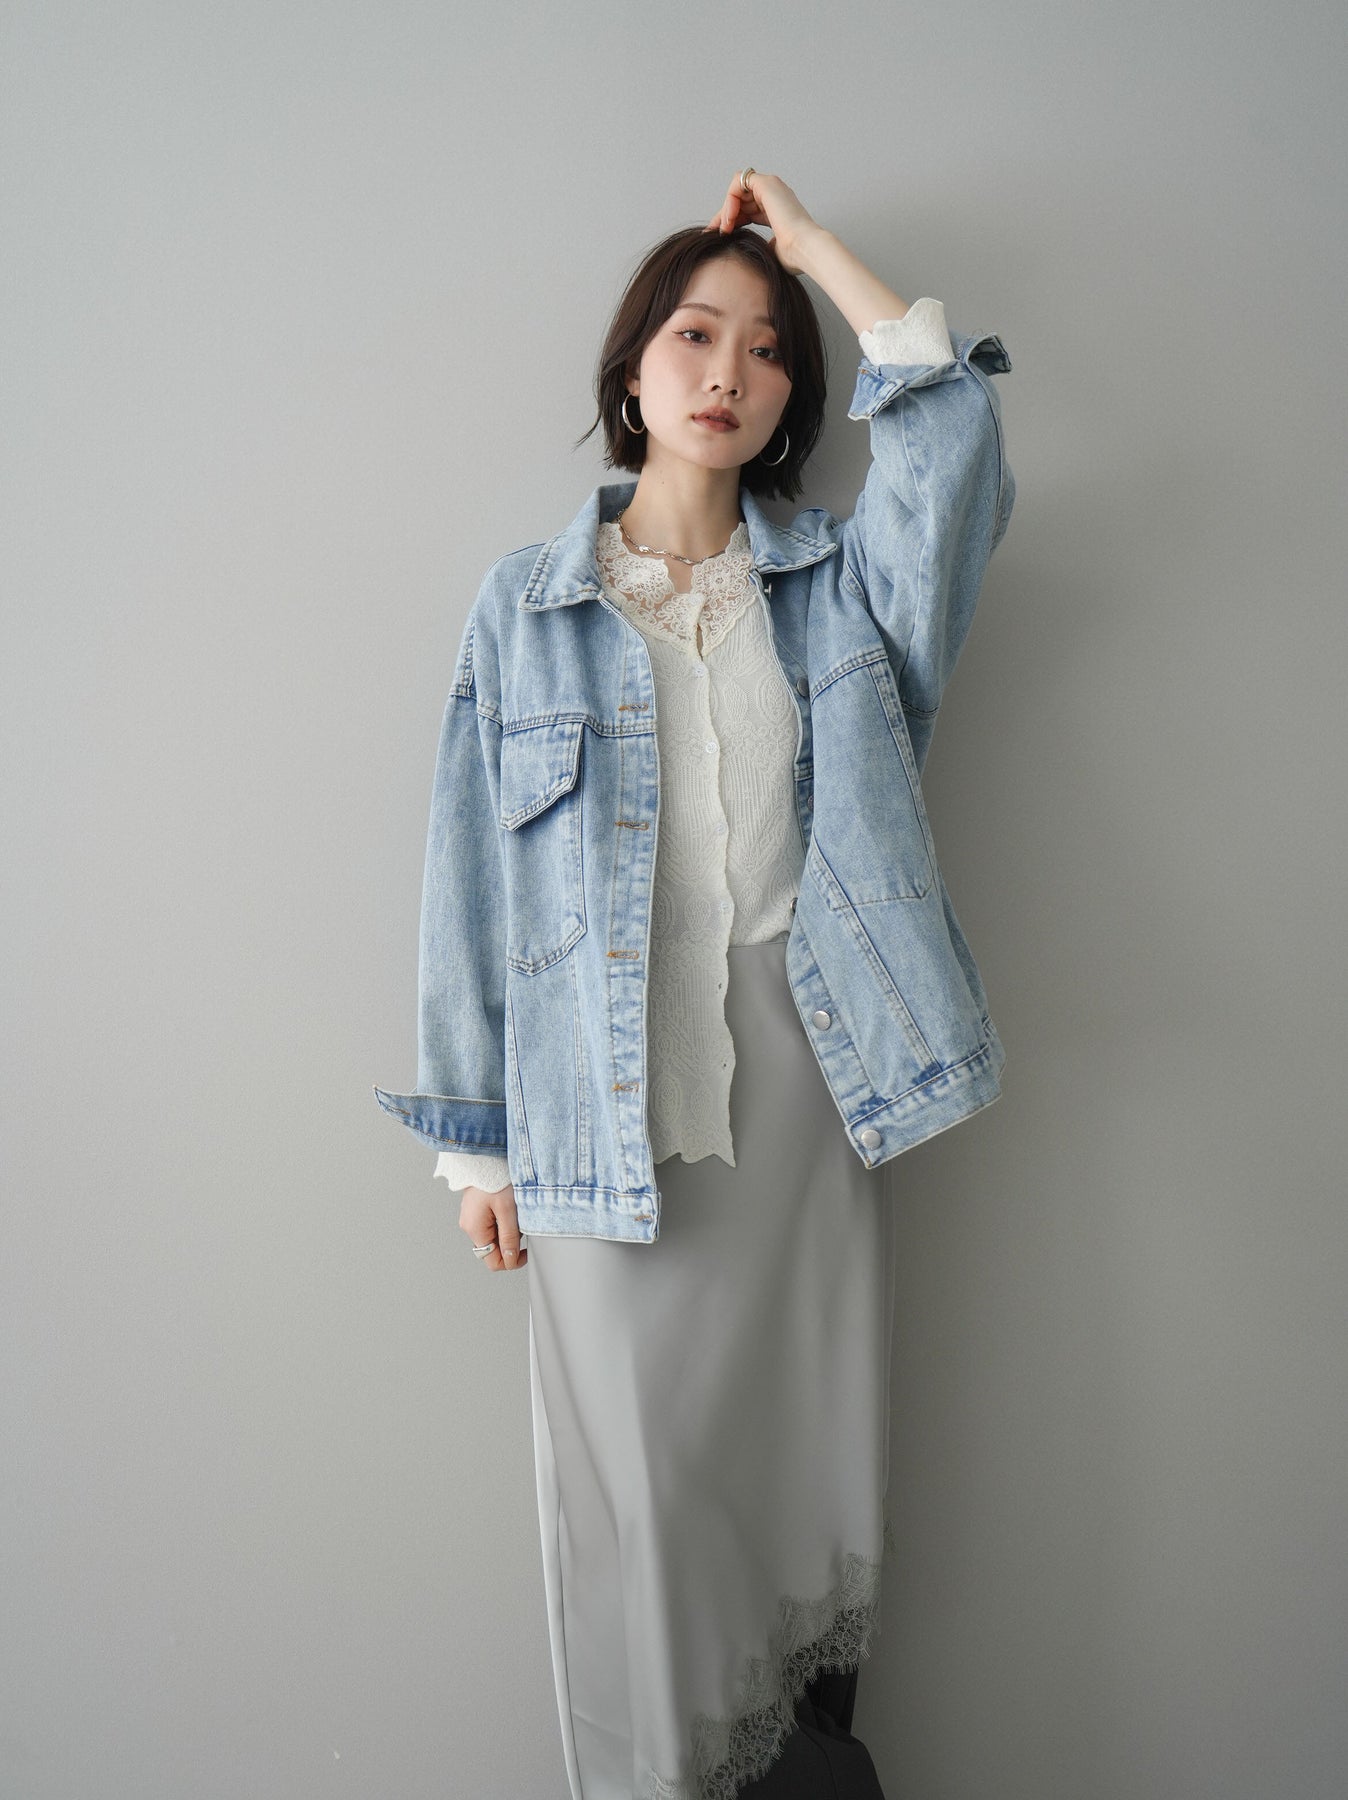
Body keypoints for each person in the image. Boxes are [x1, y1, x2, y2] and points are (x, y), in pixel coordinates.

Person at [374, 169, 1015, 1798]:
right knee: (640, 1511)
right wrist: (473, 1145)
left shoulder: (843, 588)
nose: (730, 370)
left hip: (814, 1097)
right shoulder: (524, 608)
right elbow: (466, 878)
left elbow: (953, 450)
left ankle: (803, 1777)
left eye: (769, 346)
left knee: (808, 1482)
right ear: (633, 367)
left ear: (795, 397)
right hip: (597, 1111)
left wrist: (814, 251)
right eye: (695, 333)